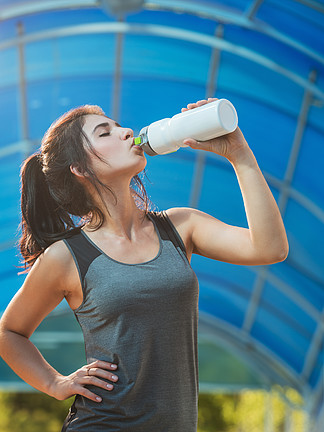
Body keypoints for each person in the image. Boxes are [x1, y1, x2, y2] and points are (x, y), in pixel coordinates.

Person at [0, 98, 289, 431]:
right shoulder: (68, 256)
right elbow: (10, 332)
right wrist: (54, 383)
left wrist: (238, 153)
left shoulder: (181, 226)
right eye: (104, 132)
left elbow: (270, 248)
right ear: (80, 169)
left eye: (119, 125)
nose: (125, 132)